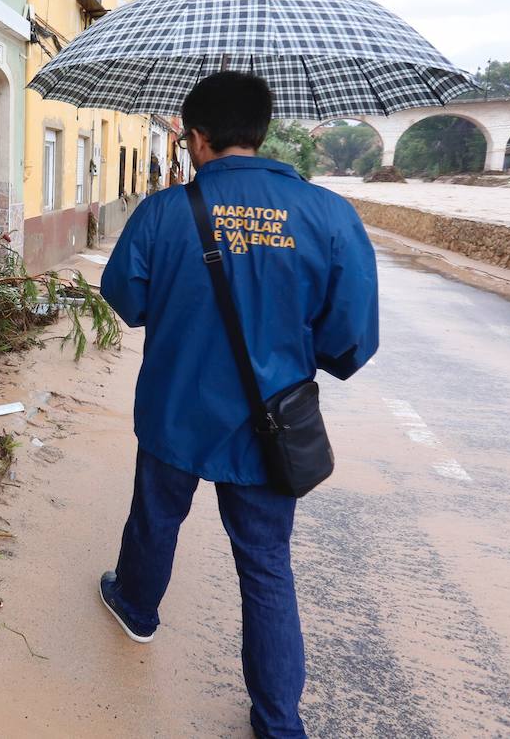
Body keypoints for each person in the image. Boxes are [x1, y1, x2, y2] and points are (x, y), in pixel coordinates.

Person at [97, 71, 379, 738]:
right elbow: (351, 340)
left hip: (175, 415)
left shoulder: (165, 212)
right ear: (261, 132)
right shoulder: (330, 214)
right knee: (266, 566)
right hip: (269, 425)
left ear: (197, 139)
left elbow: (126, 300)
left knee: (155, 520)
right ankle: (279, 723)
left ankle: (136, 607)